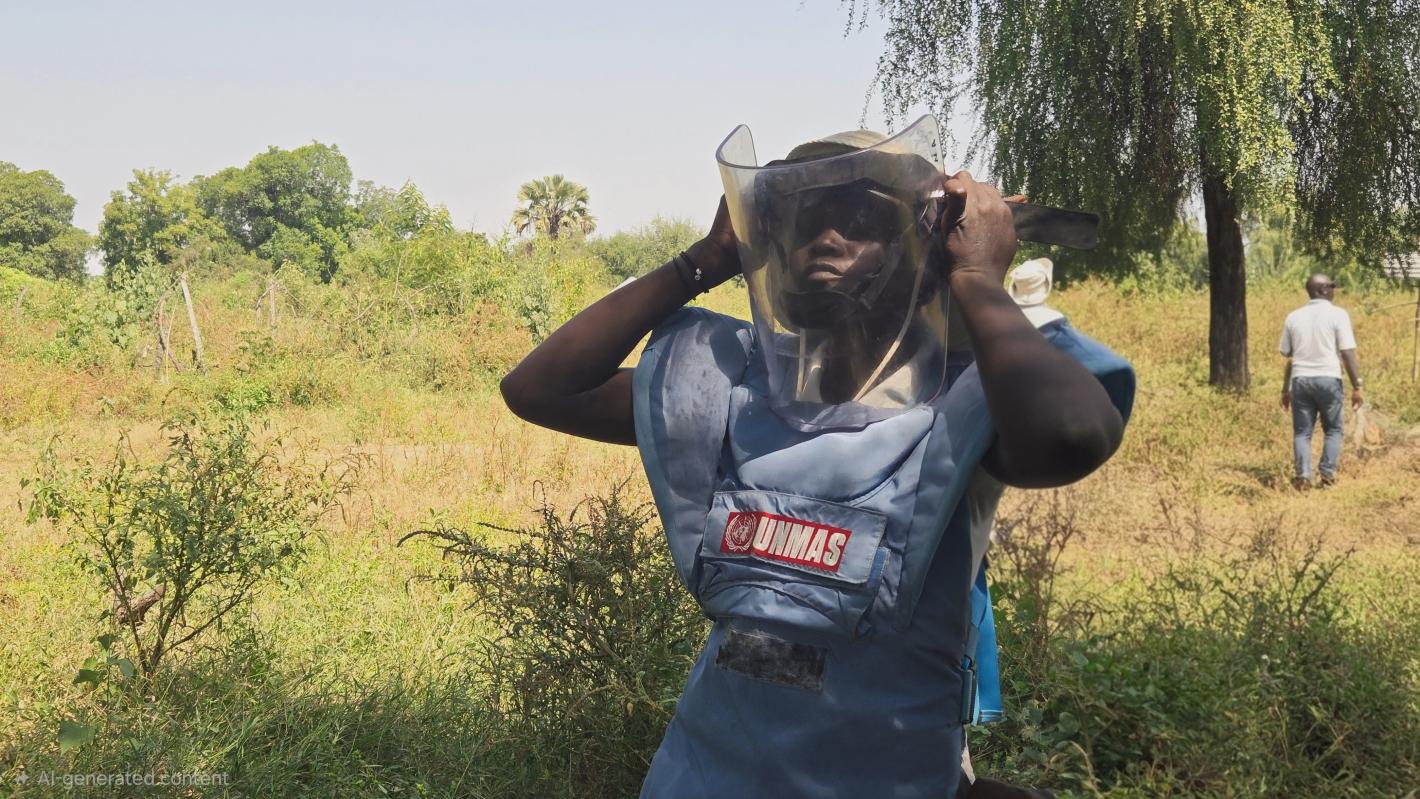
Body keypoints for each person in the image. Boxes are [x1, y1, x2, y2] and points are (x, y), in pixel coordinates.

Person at [501, 118, 1135, 798]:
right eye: (802, 219)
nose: (825, 237)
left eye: (860, 218)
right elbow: (540, 388)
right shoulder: (735, 389)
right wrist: (705, 259)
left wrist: (977, 278)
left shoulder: (966, 400)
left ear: (924, 253)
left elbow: (1070, 434)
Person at [1280, 273, 1364, 489]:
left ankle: (1303, 476)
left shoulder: (1293, 317)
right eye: (1331, 286)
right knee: (1333, 429)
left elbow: (1287, 353)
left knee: (1302, 432)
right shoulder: (1338, 315)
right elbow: (1347, 352)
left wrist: (1285, 389)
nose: (1334, 290)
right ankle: (1327, 473)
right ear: (1322, 290)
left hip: (1300, 381)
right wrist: (1357, 386)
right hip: (1328, 379)